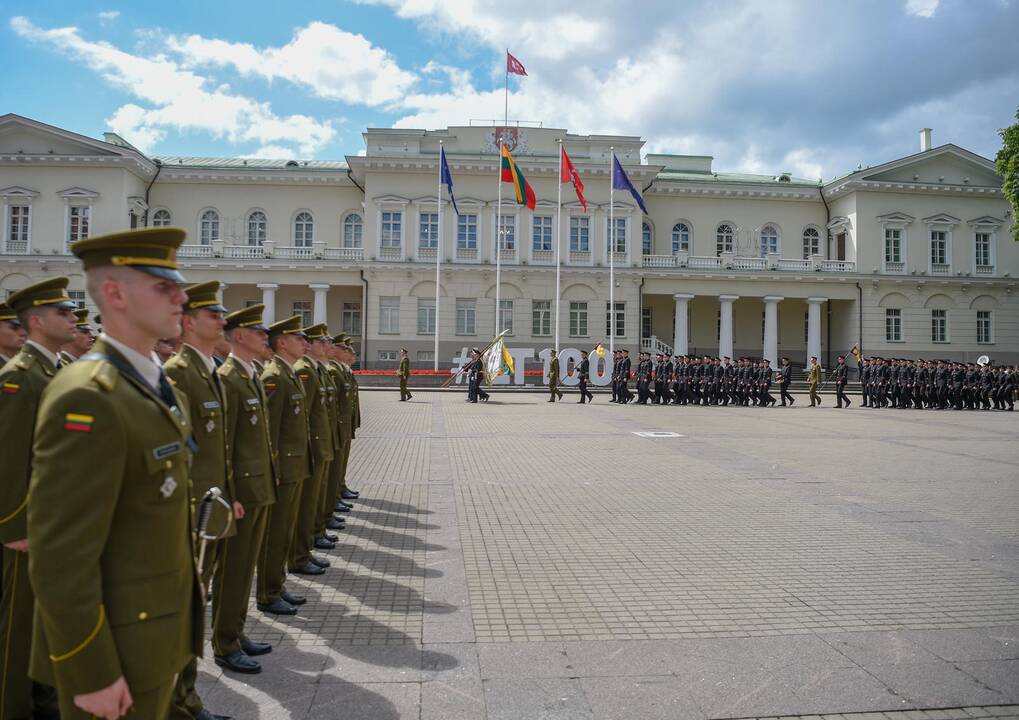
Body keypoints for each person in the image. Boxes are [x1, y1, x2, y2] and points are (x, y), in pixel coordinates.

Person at [28, 228, 202, 720]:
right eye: (164, 286)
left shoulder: (150, 382)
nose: (182, 298)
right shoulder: (89, 395)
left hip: (155, 634)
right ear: (114, 293)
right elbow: (61, 557)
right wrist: (90, 672)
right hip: (116, 655)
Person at [163, 281, 246, 713]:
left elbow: (219, 450)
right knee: (189, 602)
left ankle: (186, 694)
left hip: (210, 507)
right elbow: (182, 451)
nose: (222, 320)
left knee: (199, 597)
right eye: (214, 314)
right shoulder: (180, 372)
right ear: (189, 322)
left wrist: (227, 495)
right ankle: (182, 699)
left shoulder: (206, 368)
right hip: (193, 512)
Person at [0, 277, 76, 720]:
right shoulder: (18, 378)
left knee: (47, 624)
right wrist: (15, 527)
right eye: (62, 312)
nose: (72, 317)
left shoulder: (54, 371)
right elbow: (10, 462)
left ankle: (44, 700)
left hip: (58, 523)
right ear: (35, 320)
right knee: (18, 628)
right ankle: (14, 707)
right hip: (30, 528)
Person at [212, 304, 276, 676]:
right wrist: (230, 493)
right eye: (258, 331)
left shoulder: (248, 374)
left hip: (258, 486)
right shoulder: (229, 377)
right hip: (241, 493)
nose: (265, 337)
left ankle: (235, 631)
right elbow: (226, 442)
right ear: (239, 337)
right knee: (233, 568)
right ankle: (225, 642)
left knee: (243, 566)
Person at [257, 315, 312, 616]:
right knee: (275, 532)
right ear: (281, 342)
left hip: (295, 466)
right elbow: (270, 429)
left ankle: (276, 586)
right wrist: (274, 469)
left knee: (284, 529)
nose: (305, 343)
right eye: (298, 338)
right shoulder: (274, 376)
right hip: (283, 470)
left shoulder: (287, 373)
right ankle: (267, 591)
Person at [290, 323, 336, 576]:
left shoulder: (315, 370)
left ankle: (306, 548)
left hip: (320, 445)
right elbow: (302, 418)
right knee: (305, 505)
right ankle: (299, 554)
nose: (327, 346)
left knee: (312, 502)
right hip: (306, 451)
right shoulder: (304, 372)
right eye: (322, 342)